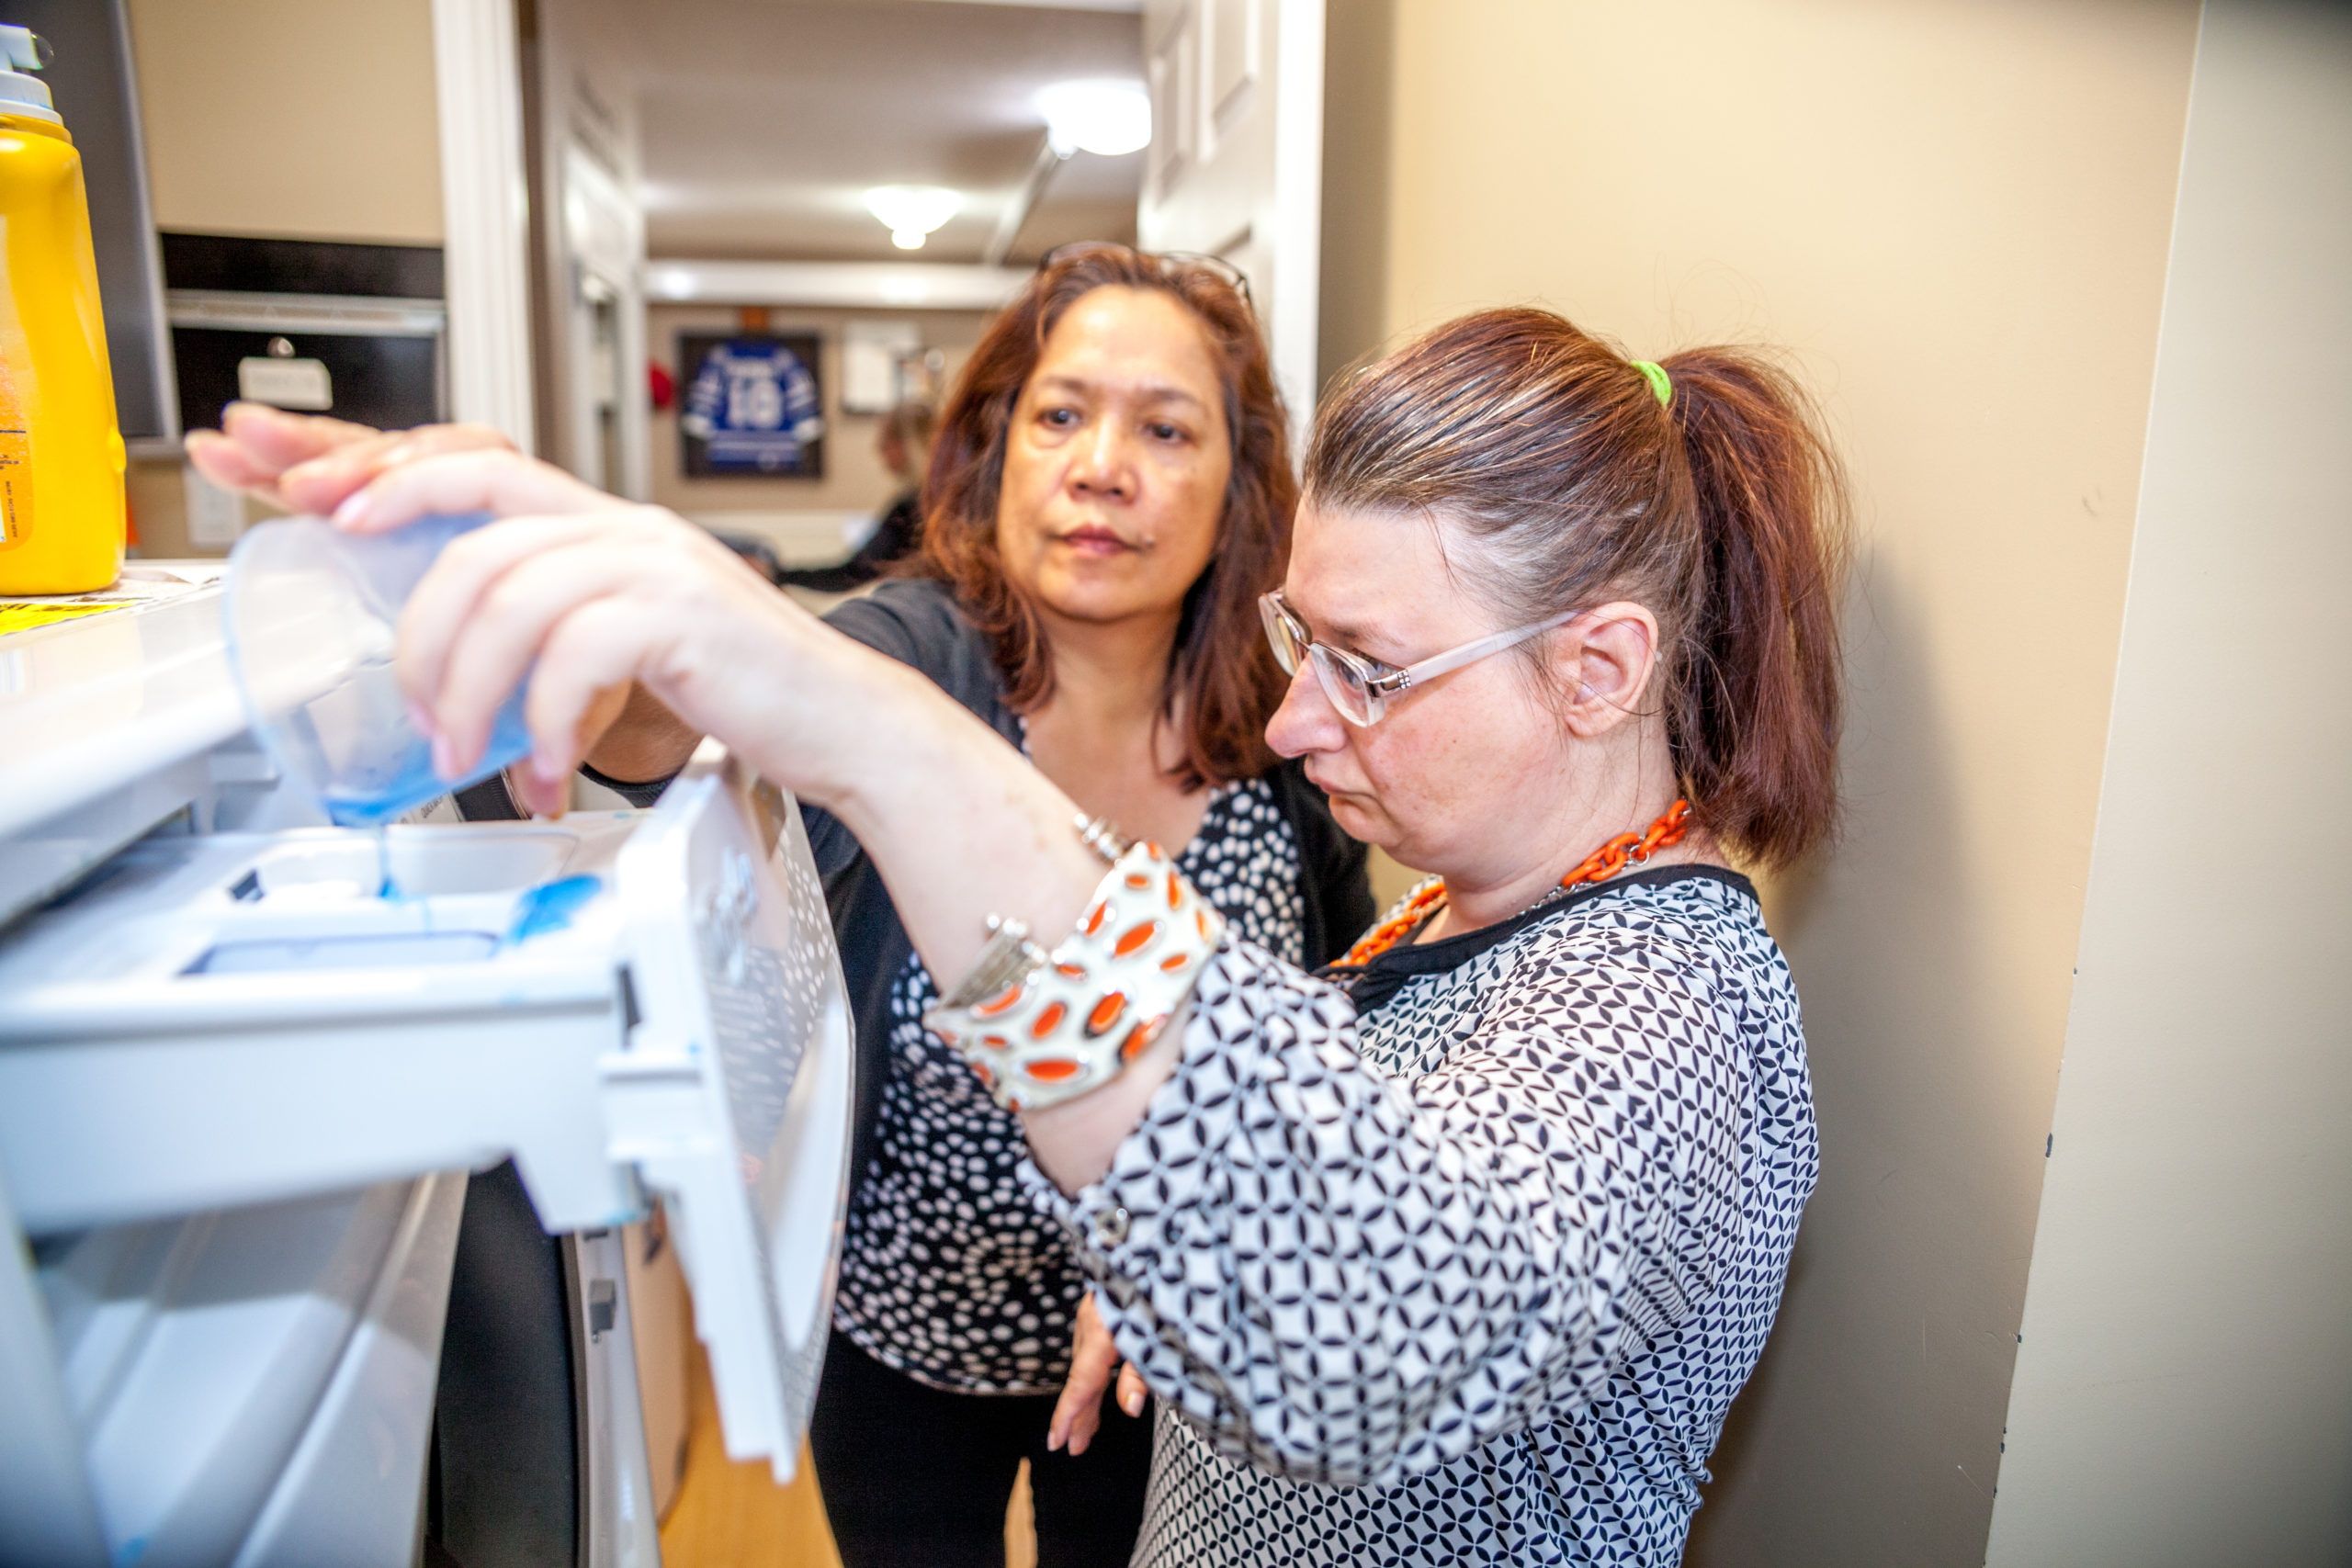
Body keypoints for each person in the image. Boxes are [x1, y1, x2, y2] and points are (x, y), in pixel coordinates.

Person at [241, 304, 1845, 1564]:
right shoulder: (1474, 889)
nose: (1298, 720)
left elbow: (1370, 1317)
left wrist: (876, 739)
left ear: (1601, 667)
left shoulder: (1674, 1011)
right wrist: (1181, 1224)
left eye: (1370, 663)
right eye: (1306, 639)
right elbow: (1338, 1123)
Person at [188, 243, 1374, 1568]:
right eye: (1060, 413)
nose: (1105, 461)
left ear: (1238, 483)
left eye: (1166, 426)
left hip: (1169, 1348)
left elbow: (1349, 988)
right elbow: (700, 719)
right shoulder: (910, 660)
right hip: (902, 1344)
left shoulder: (1293, 725)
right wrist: (601, 626)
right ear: (998, 451)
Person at [779, 398, 936, 592]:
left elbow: (852, 574)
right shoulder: (947, 499)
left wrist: (778, 574)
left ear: (905, 443)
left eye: (885, 440)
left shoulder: (912, 506)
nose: (878, 449)